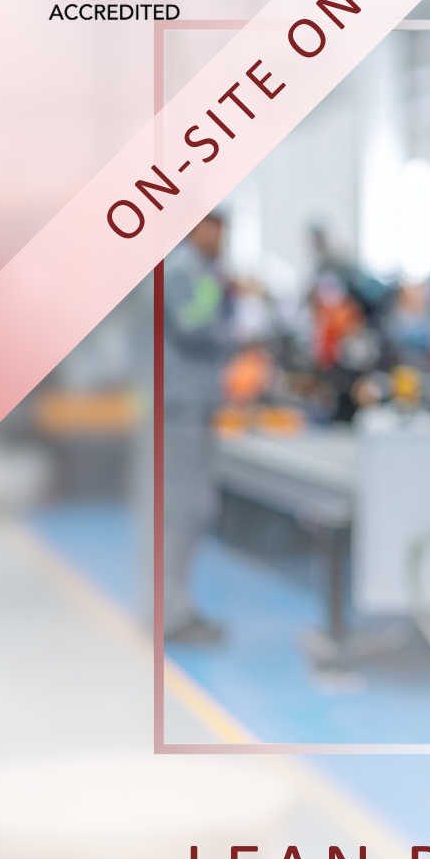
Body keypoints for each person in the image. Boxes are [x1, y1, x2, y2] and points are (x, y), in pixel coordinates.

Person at [162, 210, 234, 644]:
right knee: (181, 510)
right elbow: (194, 327)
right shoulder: (182, 272)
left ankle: (178, 605)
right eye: (217, 231)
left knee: (194, 508)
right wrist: (221, 297)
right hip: (178, 409)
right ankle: (171, 613)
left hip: (195, 405)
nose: (222, 241)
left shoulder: (199, 272)